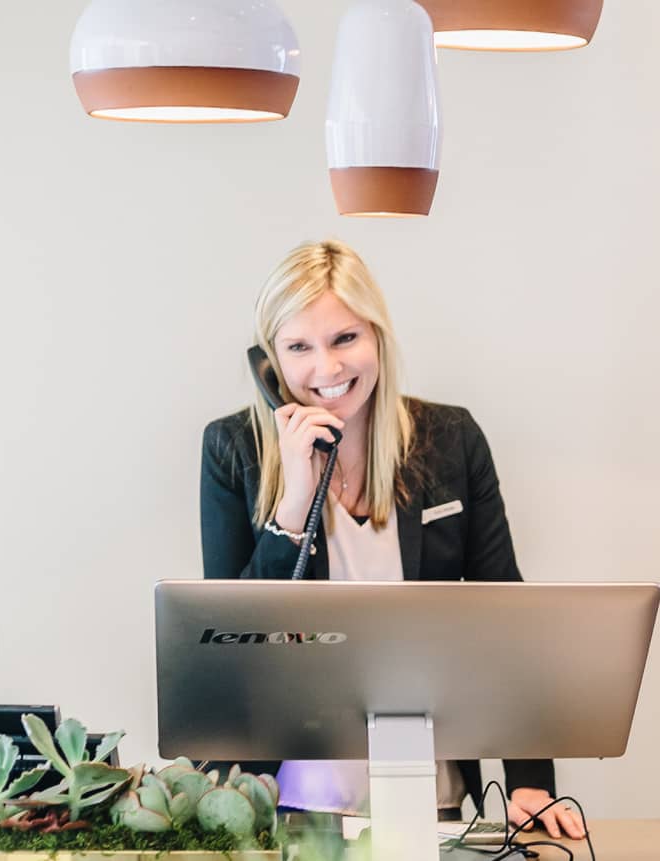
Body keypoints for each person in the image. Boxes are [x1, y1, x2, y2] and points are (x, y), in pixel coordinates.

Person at [198, 239, 585, 840]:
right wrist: (294, 505)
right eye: (299, 347)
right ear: (269, 363)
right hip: (286, 808)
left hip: (434, 805)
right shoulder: (233, 450)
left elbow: (506, 619)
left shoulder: (450, 439)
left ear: (378, 337)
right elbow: (228, 647)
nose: (327, 369)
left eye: (345, 339)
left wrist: (529, 781)